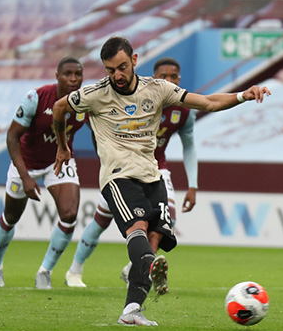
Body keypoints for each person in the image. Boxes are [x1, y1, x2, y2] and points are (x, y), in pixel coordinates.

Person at [52, 37, 270, 326]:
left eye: (122, 67)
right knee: (138, 228)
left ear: (134, 60)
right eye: (110, 70)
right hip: (118, 176)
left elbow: (206, 102)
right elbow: (58, 108)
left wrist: (243, 95)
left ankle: (131, 309)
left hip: (152, 175)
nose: (117, 75)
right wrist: (62, 145)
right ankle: (144, 266)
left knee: (156, 237)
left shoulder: (157, 89)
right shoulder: (95, 94)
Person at [64, 57, 198, 287]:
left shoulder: (183, 110)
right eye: (162, 77)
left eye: (173, 77)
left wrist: (193, 184)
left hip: (156, 168)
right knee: (100, 221)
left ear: (179, 79)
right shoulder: (131, 97)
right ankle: (74, 270)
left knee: (166, 219)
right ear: (154, 78)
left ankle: (138, 269)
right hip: (121, 170)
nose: (167, 81)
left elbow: (190, 146)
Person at [0, 57, 85, 288]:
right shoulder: (36, 98)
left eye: (78, 74)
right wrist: (26, 177)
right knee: (11, 217)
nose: (73, 79)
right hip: (27, 163)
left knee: (70, 215)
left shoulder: (85, 101)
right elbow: (12, 137)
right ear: (57, 76)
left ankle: (45, 272)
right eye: (68, 74)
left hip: (58, 161)